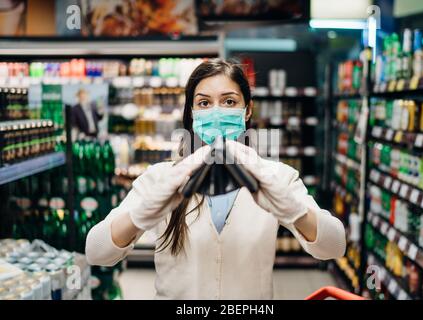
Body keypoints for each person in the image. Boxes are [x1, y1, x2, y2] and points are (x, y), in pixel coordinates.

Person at [86, 59, 346, 299]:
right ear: (192, 112)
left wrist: (295, 211)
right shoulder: (162, 178)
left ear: (247, 110)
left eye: (229, 101)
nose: (216, 111)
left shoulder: (276, 177)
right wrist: (139, 215)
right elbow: (96, 252)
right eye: (204, 103)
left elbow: (334, 246)